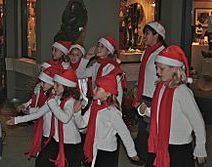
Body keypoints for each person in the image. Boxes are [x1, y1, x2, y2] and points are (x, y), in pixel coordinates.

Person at [138, 45, 207, 167]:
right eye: (157, 68)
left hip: (179, 148)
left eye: (161, 68)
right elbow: (159, 112)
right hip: (161, 143)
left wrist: (200, 147)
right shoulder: (161, 87)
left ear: (175, 69)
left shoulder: (182, 92)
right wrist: (146, 111)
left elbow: (198, 122)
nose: (157, 72)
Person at [74, 74, 139, 167]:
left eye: (98, 88)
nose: (94, 90)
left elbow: (124, 133)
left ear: (108, 93)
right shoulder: (94, 106)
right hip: (94, 148)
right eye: (95, 87)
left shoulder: (112, 112)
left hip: (107, 152)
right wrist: (76, 113)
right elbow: (82, 124)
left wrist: (132, 152)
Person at [133, 21, 166, 166]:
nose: (144, 36)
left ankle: (150, 158)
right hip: (144, 96)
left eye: (147, 33)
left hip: (154, 97)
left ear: (156, 35)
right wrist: (136, 86)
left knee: (150, 131)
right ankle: (144, 157)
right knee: (143, 131)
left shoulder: (163, 53)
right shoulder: (146, 52)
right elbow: (143, 73)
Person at [6, 67, 57, 159]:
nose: (41, 84)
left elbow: (39, 112)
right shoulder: (47, 93)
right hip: (46, 129)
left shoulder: (52, 98)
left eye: (44, 82)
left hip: (51, 132)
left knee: (45, 158)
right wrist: (27, 108)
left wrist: (17, 120)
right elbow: (37, 106)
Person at [35, 69, 81, 167]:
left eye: (57, 85)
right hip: (57, 139)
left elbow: (64, 118)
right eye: (54, 84)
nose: (54, 87)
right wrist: (18, 119)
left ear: (66, 87)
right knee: (42, 160)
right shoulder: (58, 98)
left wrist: (52, 103)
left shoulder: (71, 101)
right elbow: (39, 112)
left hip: (70, 143)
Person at [76, 36, 127, 105]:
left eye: (102, 47)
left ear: (108, 51)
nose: (98, 48)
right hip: (95, 102)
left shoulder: (112, 67)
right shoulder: (96, 65)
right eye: (98, 46)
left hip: (107, 105)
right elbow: (79, 74)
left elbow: (118, 91)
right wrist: (87, 58)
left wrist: (116, 108)